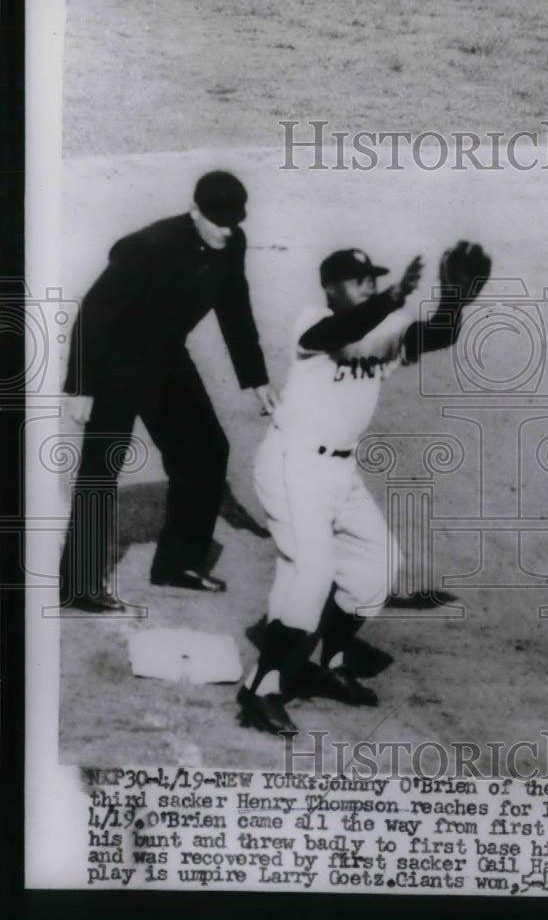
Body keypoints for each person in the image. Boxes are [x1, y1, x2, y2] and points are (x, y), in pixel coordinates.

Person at [238, 242, 491, 735]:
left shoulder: (380, 328)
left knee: (376, 568)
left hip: (339, 473)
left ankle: (325, 665)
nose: (369, 286)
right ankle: (259, 689)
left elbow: (434, 336)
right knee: (309, 575)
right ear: (330, 287)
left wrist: (455, 301)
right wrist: (392, 298)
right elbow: (339, 331)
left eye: (373, 279)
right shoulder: (314, 324)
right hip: (292, 466)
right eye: (359, 281)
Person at [60, 171, 277, 613]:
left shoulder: (231, 243)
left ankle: (178, 565)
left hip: (166, 359)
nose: (225, 229)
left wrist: (256, 379)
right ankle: (77, 585)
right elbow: (95, 312)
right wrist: (81, 388)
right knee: (101, 470)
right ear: (195, 211)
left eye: (232, 220)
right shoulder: (148, 246)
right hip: (116, 363)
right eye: (217, 220)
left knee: (207, 450)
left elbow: (236, 309)